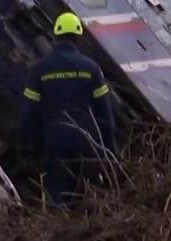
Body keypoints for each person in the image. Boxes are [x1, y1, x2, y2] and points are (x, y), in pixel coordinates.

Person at [22, 12, 116, 207]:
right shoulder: (91, 69)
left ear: (56, 36)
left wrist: (31, 151)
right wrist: (109, 150)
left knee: (60, 201)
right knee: (90, 201)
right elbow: (105, 114)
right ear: (78, 36)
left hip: (55, 145)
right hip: (87, 144)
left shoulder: (40, 70)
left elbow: (30, 116)